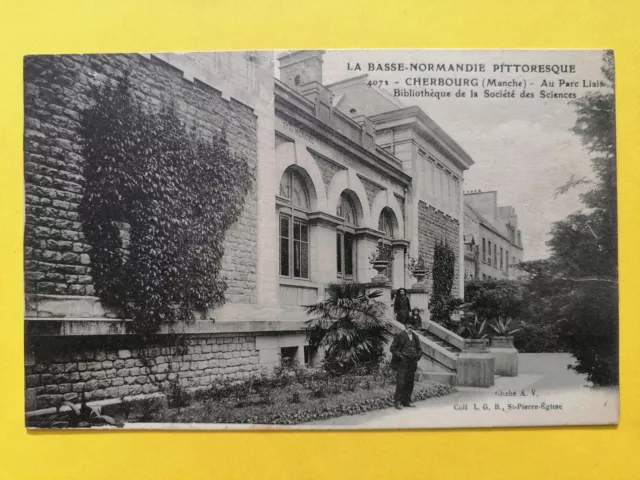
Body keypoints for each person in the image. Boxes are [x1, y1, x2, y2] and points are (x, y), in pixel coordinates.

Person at [389, 320, 422, 409]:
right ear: (405, 326)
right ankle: (398, 402)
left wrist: (418, 356)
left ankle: (407, 401)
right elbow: (392, 348)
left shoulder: (415, 337)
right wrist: (400, 356)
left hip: (412, 362)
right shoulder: (400, 336)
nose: (410, 326)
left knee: (410, 382)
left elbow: (419, 349)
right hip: (403, 362)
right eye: (408, 325)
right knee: (401, 382)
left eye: (412, 325)